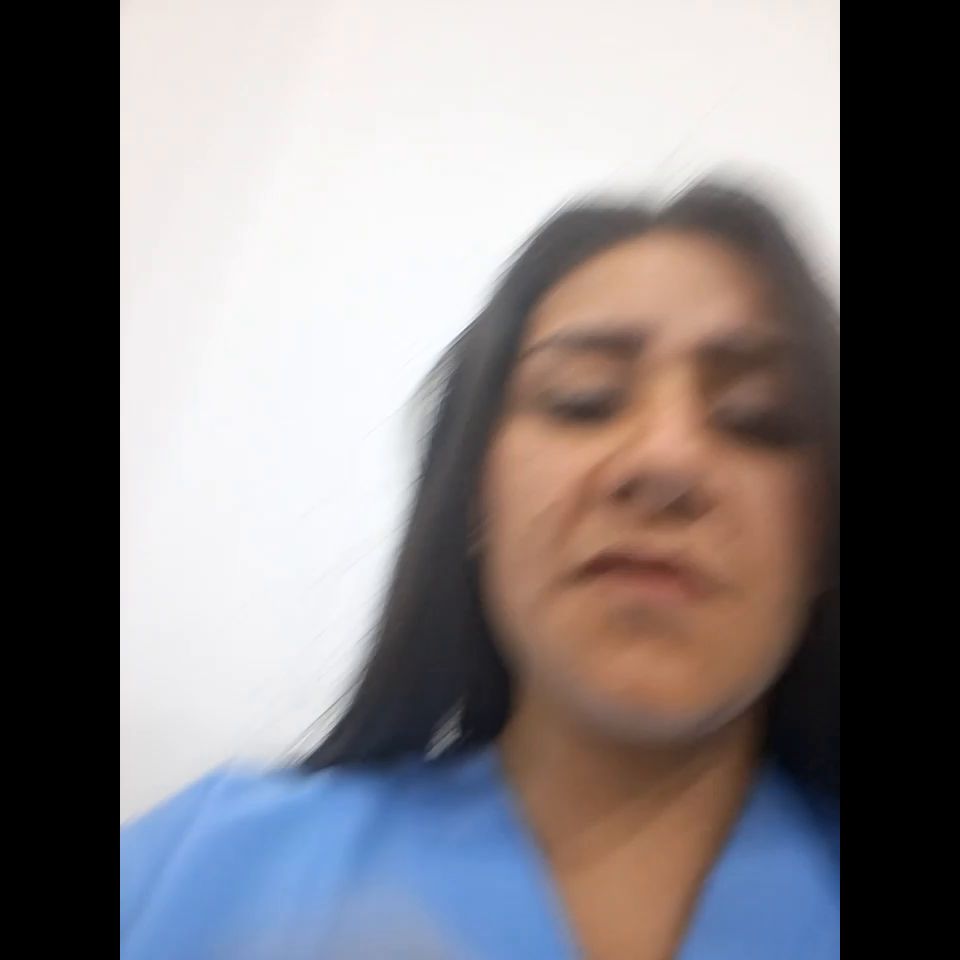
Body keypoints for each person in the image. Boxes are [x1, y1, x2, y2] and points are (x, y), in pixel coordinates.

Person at [120, 179, 840, 959]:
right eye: (583, 400)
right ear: (472, 495)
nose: (666, 459)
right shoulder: (184, 872)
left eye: (759, 418)